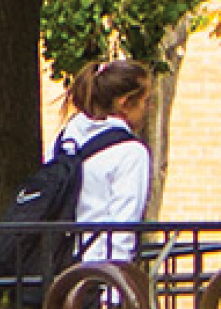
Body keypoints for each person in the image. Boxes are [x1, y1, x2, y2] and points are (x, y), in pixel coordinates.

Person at [54, 57, 158, 272]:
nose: (148, 109)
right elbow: (122, 225)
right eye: (146, 101)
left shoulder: (66, 140)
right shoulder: (130, 152)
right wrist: (114, 292)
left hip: (56, 273)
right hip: (96, 275)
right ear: (125, 103)